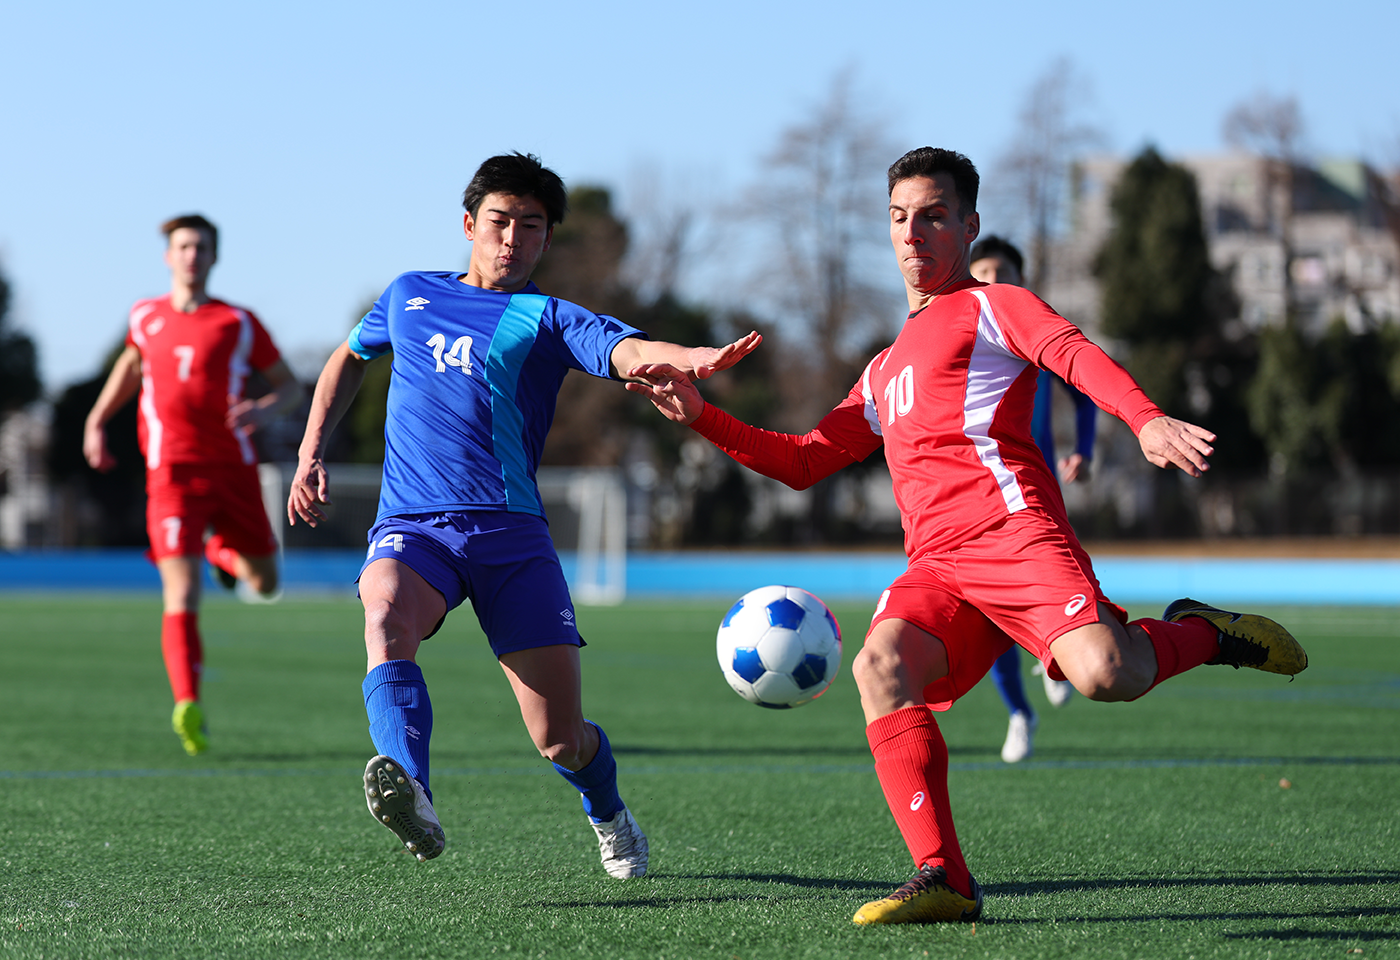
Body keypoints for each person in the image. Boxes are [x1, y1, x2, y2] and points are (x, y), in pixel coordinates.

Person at [626, 146, 1307, 924]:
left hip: (1016, 537)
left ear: (969, 224)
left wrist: (1144, 417)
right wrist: (702, 417)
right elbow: (806, 462)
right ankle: (943, 873)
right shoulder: (881, 370)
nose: (913, 232)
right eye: (898, 217)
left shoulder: (996, 304)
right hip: (938, 568)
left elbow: (1071, 353)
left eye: (934, 215)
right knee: (879, 666)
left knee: (1107, 675)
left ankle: (1204, 635)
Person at [287, 152, 759, 878]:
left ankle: (608, 811)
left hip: (510, 536)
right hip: (415, 527)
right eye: (499, 222)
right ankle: (413, 789)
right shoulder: (408, 295)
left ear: (545, 240)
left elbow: (624, 348)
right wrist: (310, 451)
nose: (511, 239)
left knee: (561, 739)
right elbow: (349, 356)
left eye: (530, 227)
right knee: (383, 614)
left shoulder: (546, 317)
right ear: (470, 224)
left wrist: (688, 356)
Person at [84, 214, 303, 756]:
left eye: (201, 247)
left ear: (213, 257)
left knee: (268, 583)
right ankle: (188, 703)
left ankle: (218, 552)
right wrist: (96, 420)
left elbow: (291, 388)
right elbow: (131, 367)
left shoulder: (237, 321)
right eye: (182, 246)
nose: (191, 255)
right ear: (168, 255)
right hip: (171, 472)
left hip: (233, 469)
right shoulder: (145, 316)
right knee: (180, 593)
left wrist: (260, 410)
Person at [968, 235, 1096, 761]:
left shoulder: (1035, 337)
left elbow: (1084, 398)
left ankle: (1053, 652)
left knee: (1061, 589)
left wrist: (1082, 451)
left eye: (1002, 273)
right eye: (982, 275)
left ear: (1021, 279)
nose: (992, 283)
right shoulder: (959, 345)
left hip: (1035, 493)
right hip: (977, 503)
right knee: (992, 619)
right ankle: (1020, 714)